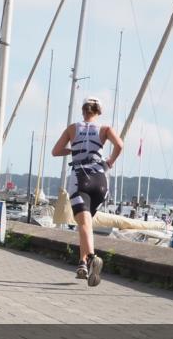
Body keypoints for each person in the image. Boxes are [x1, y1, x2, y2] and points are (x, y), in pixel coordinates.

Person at [51, 97, 123, 287]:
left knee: (83, 224)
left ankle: (91, 258)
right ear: (98, 112)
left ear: (83, 110)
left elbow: (55, 151)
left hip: (80, 179)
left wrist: (71, 151)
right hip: (100, 181)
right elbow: (120, 145)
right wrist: (109, 162)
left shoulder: (72, 128)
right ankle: (82, 263)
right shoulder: (105, 129)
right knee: (86, 225)